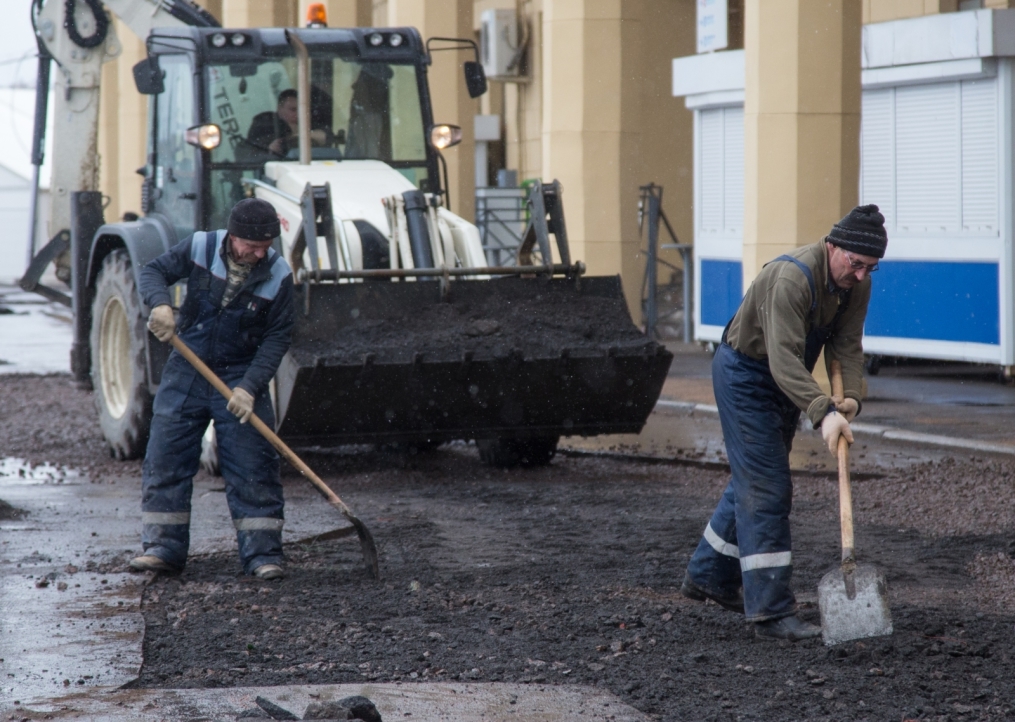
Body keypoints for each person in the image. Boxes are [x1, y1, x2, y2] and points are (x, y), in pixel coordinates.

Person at [680, 204, 888, 641]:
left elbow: (847, 344)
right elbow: (782, 360)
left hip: (781, 378)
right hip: (745, 374)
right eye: (856, 264)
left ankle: (708, 575)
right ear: (833, 247)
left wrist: (849, 396)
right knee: (768, 487)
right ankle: (771, 611)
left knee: (753, 476)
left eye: (871, 268)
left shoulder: (856, 286)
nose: (862, 276)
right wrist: (822, 412)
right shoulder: (793, 278)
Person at [129, 198, 295, 580]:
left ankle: (262, 555)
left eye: (265, 246)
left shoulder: (279, 274)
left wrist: (250, 387)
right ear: (233, 236)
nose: (258, 253)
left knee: (253, 464)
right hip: (188, 367)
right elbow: (153, 271)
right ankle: (163, 549)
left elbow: (277, 337)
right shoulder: (200, 246)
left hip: (239, 375)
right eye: (251, 246)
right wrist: (159, 306)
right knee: (166, 456)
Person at [246, 89, 331, 158]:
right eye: (293, 110)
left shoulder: (308, 122)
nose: (298, 114)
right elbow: (252, 152)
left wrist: (295, 136)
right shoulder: (264, 123)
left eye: (301, 110)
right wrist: (269, 149)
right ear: (279, 108)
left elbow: (326, 136)